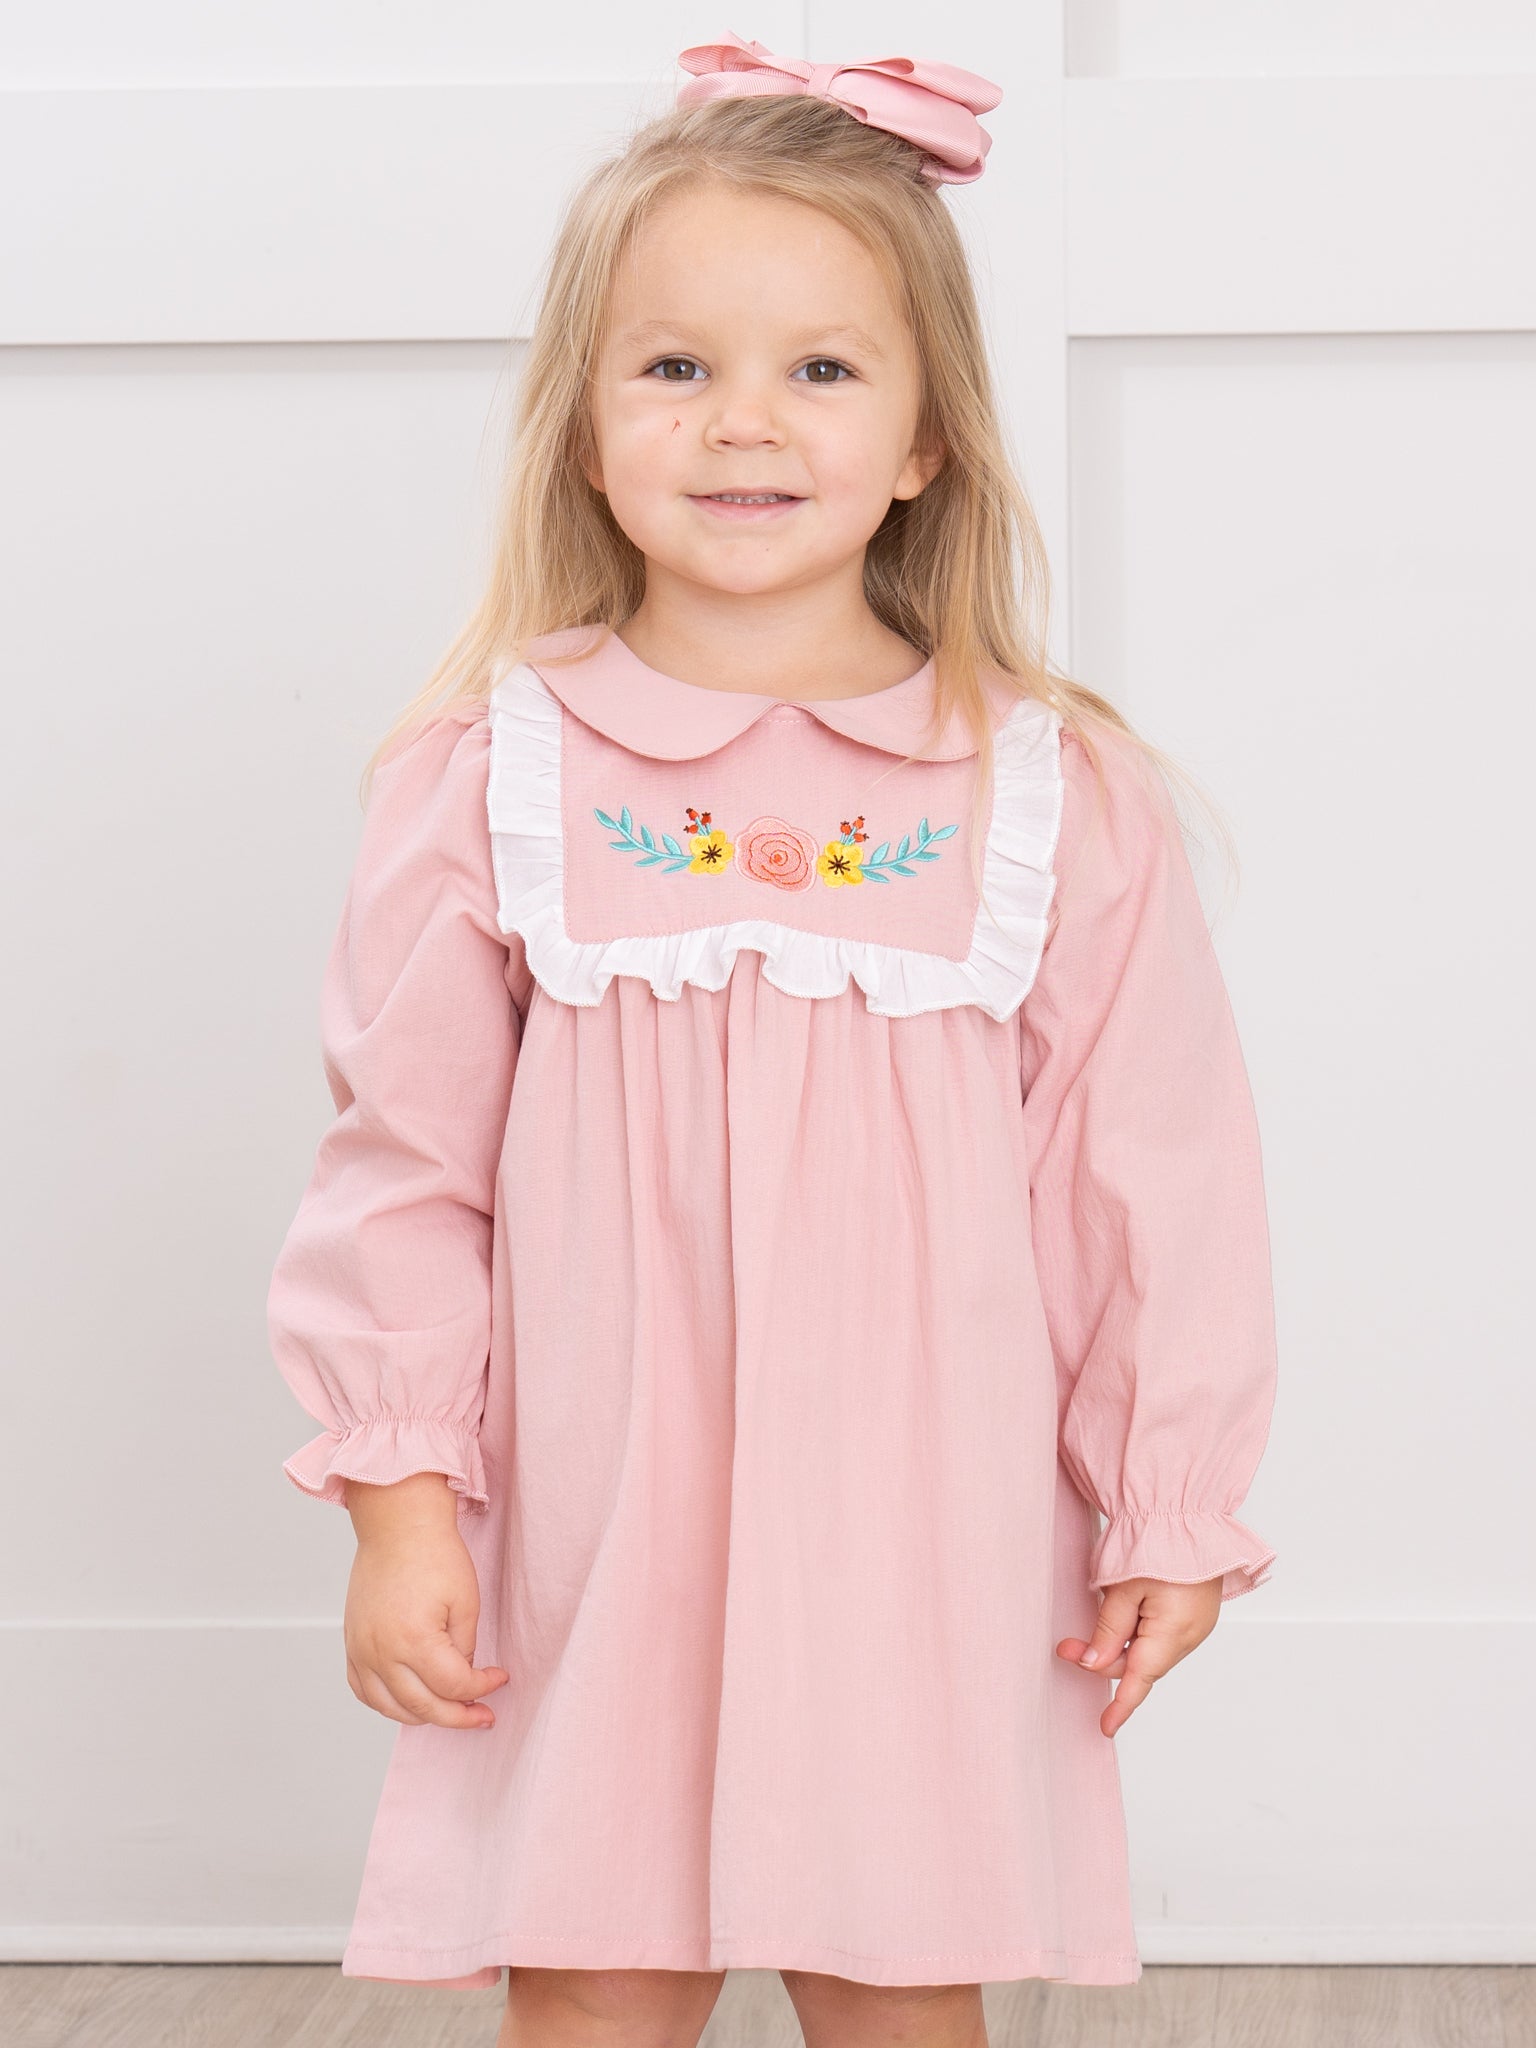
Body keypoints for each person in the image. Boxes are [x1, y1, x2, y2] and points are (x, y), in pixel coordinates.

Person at [266, 31, 1280, 2046]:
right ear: (584, 429)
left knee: (898, 1975)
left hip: (920, 1520)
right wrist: (400, 1498)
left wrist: (1168, 1496)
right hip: (603, 1513)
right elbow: (406, 1168)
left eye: (821, 367)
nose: (744, 421)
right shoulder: (490, 778)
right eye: (675, 366)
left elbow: (1151, 1179)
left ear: (925, 439)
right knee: (594, 1969)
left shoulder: (1048, 795)